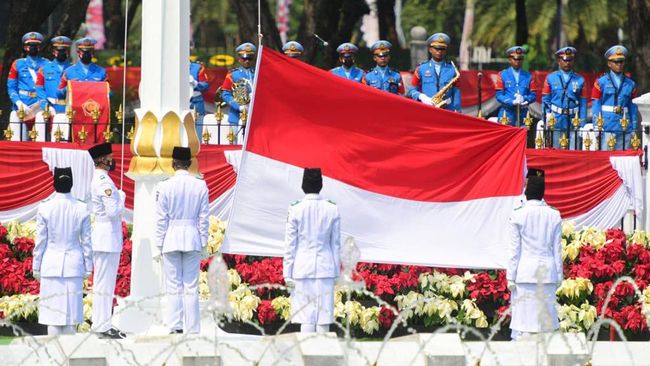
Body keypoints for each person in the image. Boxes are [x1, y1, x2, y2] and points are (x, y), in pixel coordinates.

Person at [154, 146, 209, 334]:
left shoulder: (165, 185)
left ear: (173, 163)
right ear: (190, 163)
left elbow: (161, 219)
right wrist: (203, 243)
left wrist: (158, 244)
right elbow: (204, 218)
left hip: (171, 237)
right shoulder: (200, 185)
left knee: (174, 284)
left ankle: (175, 325)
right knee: (191, 285)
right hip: (192, 237)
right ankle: (192, 327)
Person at [33, 167, 92, 336]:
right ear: (71, 183)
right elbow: (86, 242)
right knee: (70, 316)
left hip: (51, 264)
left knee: (52, 317)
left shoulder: (45, 207)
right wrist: (88, 267)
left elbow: (40, 241)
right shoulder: (81, 208)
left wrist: (36, 266)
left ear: (54, 183)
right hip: (73, 265)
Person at [283, 168, 341, 334]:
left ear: (303, 185)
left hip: (302, 268)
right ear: (321, 185)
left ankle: (306, 357)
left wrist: (287, 273)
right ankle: (324, 357)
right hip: (326, 267)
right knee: (323, 317)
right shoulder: (332, 209)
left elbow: (290, 245)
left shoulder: (295, 208)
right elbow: (335, 244)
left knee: (305, 317)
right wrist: (336, 272)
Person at [507, 171, 562, 340]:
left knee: (523, 325)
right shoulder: (554, 215)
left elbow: (514, 250)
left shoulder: (518, 214)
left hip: (525, 273)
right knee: (545, 326)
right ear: (542, 193)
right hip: (547, 273)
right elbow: (557, 250)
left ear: (526, 191)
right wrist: (559, 276)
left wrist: (510, 276)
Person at [87, 142, 126, 339]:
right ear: (102, 159)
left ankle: (102, 323)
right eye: (109, 157)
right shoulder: (103, 181)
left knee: (105, 283)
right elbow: (113, 211)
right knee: (104, 283)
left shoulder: (102, 178)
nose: (112, 160)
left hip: (105, 236)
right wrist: (122, 198)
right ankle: (101, 325)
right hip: (106, 236)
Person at [591, 45, 638, 150]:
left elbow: (633, 106)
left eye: (621, 61)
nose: (619, 64)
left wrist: (634, 126)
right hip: (607, 125)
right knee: (607, 158)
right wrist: (596, 125)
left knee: (623, 159)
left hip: (625, 125)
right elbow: (596, 104)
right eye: (616, 62)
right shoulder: (601, 82)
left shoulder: (630, 84)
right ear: (609, 63)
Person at [541, 47, 588, 148]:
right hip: (556, 119)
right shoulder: (550, 78)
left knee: (573, 152)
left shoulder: (580, 79)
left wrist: (582, 124)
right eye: (565, 60)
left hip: (573, 120)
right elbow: (545, 100)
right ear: (559, 60)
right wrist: (546, 118)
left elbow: (583, 104)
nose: (567, 63)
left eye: (570, 60)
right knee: (555, 151)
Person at [7, 31, 48, 139]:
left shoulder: (47, 64)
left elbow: (49, 88)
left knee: (40, 139)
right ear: (25, 47)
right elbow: (11, 87)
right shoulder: (18, 63)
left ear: (39, 47)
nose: (32, 48)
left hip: (39, 105)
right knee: (17, 138)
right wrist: (18, 102)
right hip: (22, 105)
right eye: (30, 45)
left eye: (35, 45)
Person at [408, 33, 461, 112]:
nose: (439, 52)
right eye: (436, 49)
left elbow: (456, 94)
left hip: (447, 110)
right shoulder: (421, 68)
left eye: (442, 49)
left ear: (445, 51)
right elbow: (412, 90)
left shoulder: (453, 70)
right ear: (430, 50)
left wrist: (457, 111)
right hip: (427, 110)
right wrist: (422, 97)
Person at [494, 46, 536, 127]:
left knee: (523, 138)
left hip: (523, 114)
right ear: (510, 59)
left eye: (519, 59)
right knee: (506, 138)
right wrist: (511, 101)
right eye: (515, 59)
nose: (517, 61)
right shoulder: (502, 74)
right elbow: (499, 95)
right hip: (507, 112)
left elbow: (533, 95)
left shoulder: (528, 76)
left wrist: (524, 98)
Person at [221, 42, 256, 126]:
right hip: (236, 116)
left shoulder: (257, 73)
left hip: (254, 115)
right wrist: (238, 106)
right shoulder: (233, 74)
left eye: (250, 58)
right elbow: (226, 94)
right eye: (244, 58)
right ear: (239, 59)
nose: (247, 61)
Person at [36, 36, 72, 115]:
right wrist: (45, 105)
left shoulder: (74, 69)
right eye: (58, 50)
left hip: (69, 109)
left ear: (67, 52)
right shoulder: (44, 69)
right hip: (51, 108)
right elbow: (39, 89)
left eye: (64, 50)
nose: (61, 53)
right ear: (53, 52)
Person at [189, 58, 209, 138]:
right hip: (177, 102)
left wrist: (196, 84)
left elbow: (206, 86)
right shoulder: (172, 67)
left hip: (195, 103)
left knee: (197, 136)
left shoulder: (197, 67)